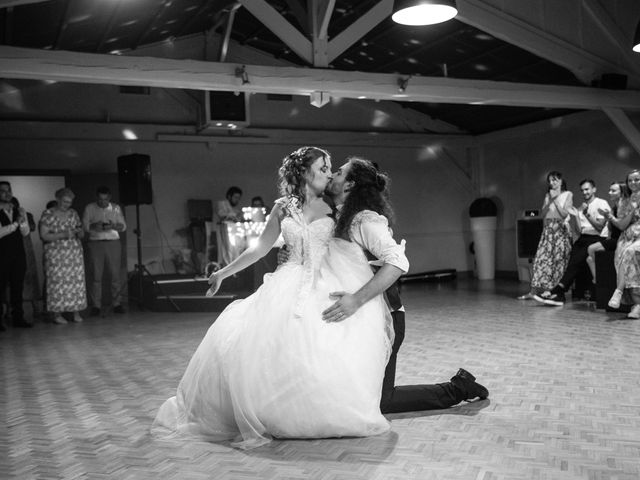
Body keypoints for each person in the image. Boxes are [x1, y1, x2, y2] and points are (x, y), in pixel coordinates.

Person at [153, 147, 396, 449]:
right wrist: (223, 273)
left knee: (318, 351)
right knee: (272, 349)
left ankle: (318, 411)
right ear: (305, 172)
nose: (328, 174)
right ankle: (272, 413)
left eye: (332, 169)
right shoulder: (283, 207)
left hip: (325, 283)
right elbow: (259, 248)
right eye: (322, 168)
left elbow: (358, 246)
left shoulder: (339, 207)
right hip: (286, 283)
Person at [281, 156, 489, 413]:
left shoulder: (364, 219)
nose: (332, 175)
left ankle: (458, 388)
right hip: (356, 318)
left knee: (381, 401)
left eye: (339, 172)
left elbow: (398, 262)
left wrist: (356, 299)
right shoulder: (335, 216)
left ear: (350, 185)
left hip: (385, 319)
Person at [534, 179, 610, 306]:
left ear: (594, 189)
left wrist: (587, 214)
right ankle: (560, 294)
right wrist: (577, 215)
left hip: (597, 238)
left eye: (587, 189)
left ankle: (558, 290)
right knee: (571, 261)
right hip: (583, 238)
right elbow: (579, 230)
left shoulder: (601, 203)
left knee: (577, 260)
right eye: (582, 190)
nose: (585, 192)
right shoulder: (581, 207)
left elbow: (600, 227)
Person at [517, 172, 573, 300]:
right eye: (550, 181)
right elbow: (542, 214)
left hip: (560, 229)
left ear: (561, 181)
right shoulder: (548, 195)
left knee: (558, 261)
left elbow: (565, 214)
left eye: (555, 180)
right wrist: (549, 201)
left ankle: (554, 291)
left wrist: (556, 200)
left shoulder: (568, 194)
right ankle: (534, 290)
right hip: (548, 230)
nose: (552, 183)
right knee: (540, 260)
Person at [39, 188, 87, 324]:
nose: (67, 205)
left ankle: (75, 312)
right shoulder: (47, 214)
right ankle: (57, 314)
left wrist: (79, 232)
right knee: (57, 283)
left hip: (73, 254)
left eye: (69, 202)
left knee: (75, 283)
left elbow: (81, 232)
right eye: (65, 201)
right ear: (58, 199)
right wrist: (63, 235)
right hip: (56, 255)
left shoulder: (73, 213)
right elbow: (44, 235)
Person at [82, 186, 127, 315]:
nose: (103, 202)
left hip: (113, 242)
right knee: (96, 276)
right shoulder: (90, 208)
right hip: (95, 244)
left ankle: (117, 303)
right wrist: (94, 226)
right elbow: (84, 226)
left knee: (115, 275)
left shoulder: (115, 208)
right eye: (100, 199)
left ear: (109, 198)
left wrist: (112, 225)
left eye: (105, 199)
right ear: (96, 197)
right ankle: (96, 305)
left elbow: (123, 226)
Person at [604, 170, 640, 317]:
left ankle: (618, 291)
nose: (633, 183)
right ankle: (637, 306)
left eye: (637, 180)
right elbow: (621, 225)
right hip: (627, 236)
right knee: (621, 257)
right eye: (630, 180)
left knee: (629, 252)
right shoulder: (625, 200)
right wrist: (611, 217)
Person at [0, 181, 32, 330]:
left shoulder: (18, 210)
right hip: (2, 254)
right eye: (3, 191)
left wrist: (22, 220)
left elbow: (25, 232)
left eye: (9, 190)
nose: (7, 193)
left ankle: (18, 318)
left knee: (17, 287)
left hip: (18, 254)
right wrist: (14, 224)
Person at [585, 181, 627, 283]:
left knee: (591, 249)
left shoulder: (625, 207)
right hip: (613, 239)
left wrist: (610, 217)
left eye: (613, 191)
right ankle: (600, 279)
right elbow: (610, 227)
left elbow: (622, 226)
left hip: (622, 239)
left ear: (621, 192)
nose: (610, 192)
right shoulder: (614, 207)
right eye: (609, 190)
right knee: (589, 259)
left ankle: (601, 278)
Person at [215, 186, 243, 265]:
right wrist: (233, 216)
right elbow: (222, 215)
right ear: (229, 196)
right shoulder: (221, 204)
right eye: (235, 197)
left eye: (239, 198)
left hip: (234, 233)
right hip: (222, 231)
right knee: (224, 252)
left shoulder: (237, 209)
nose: (237, 200)